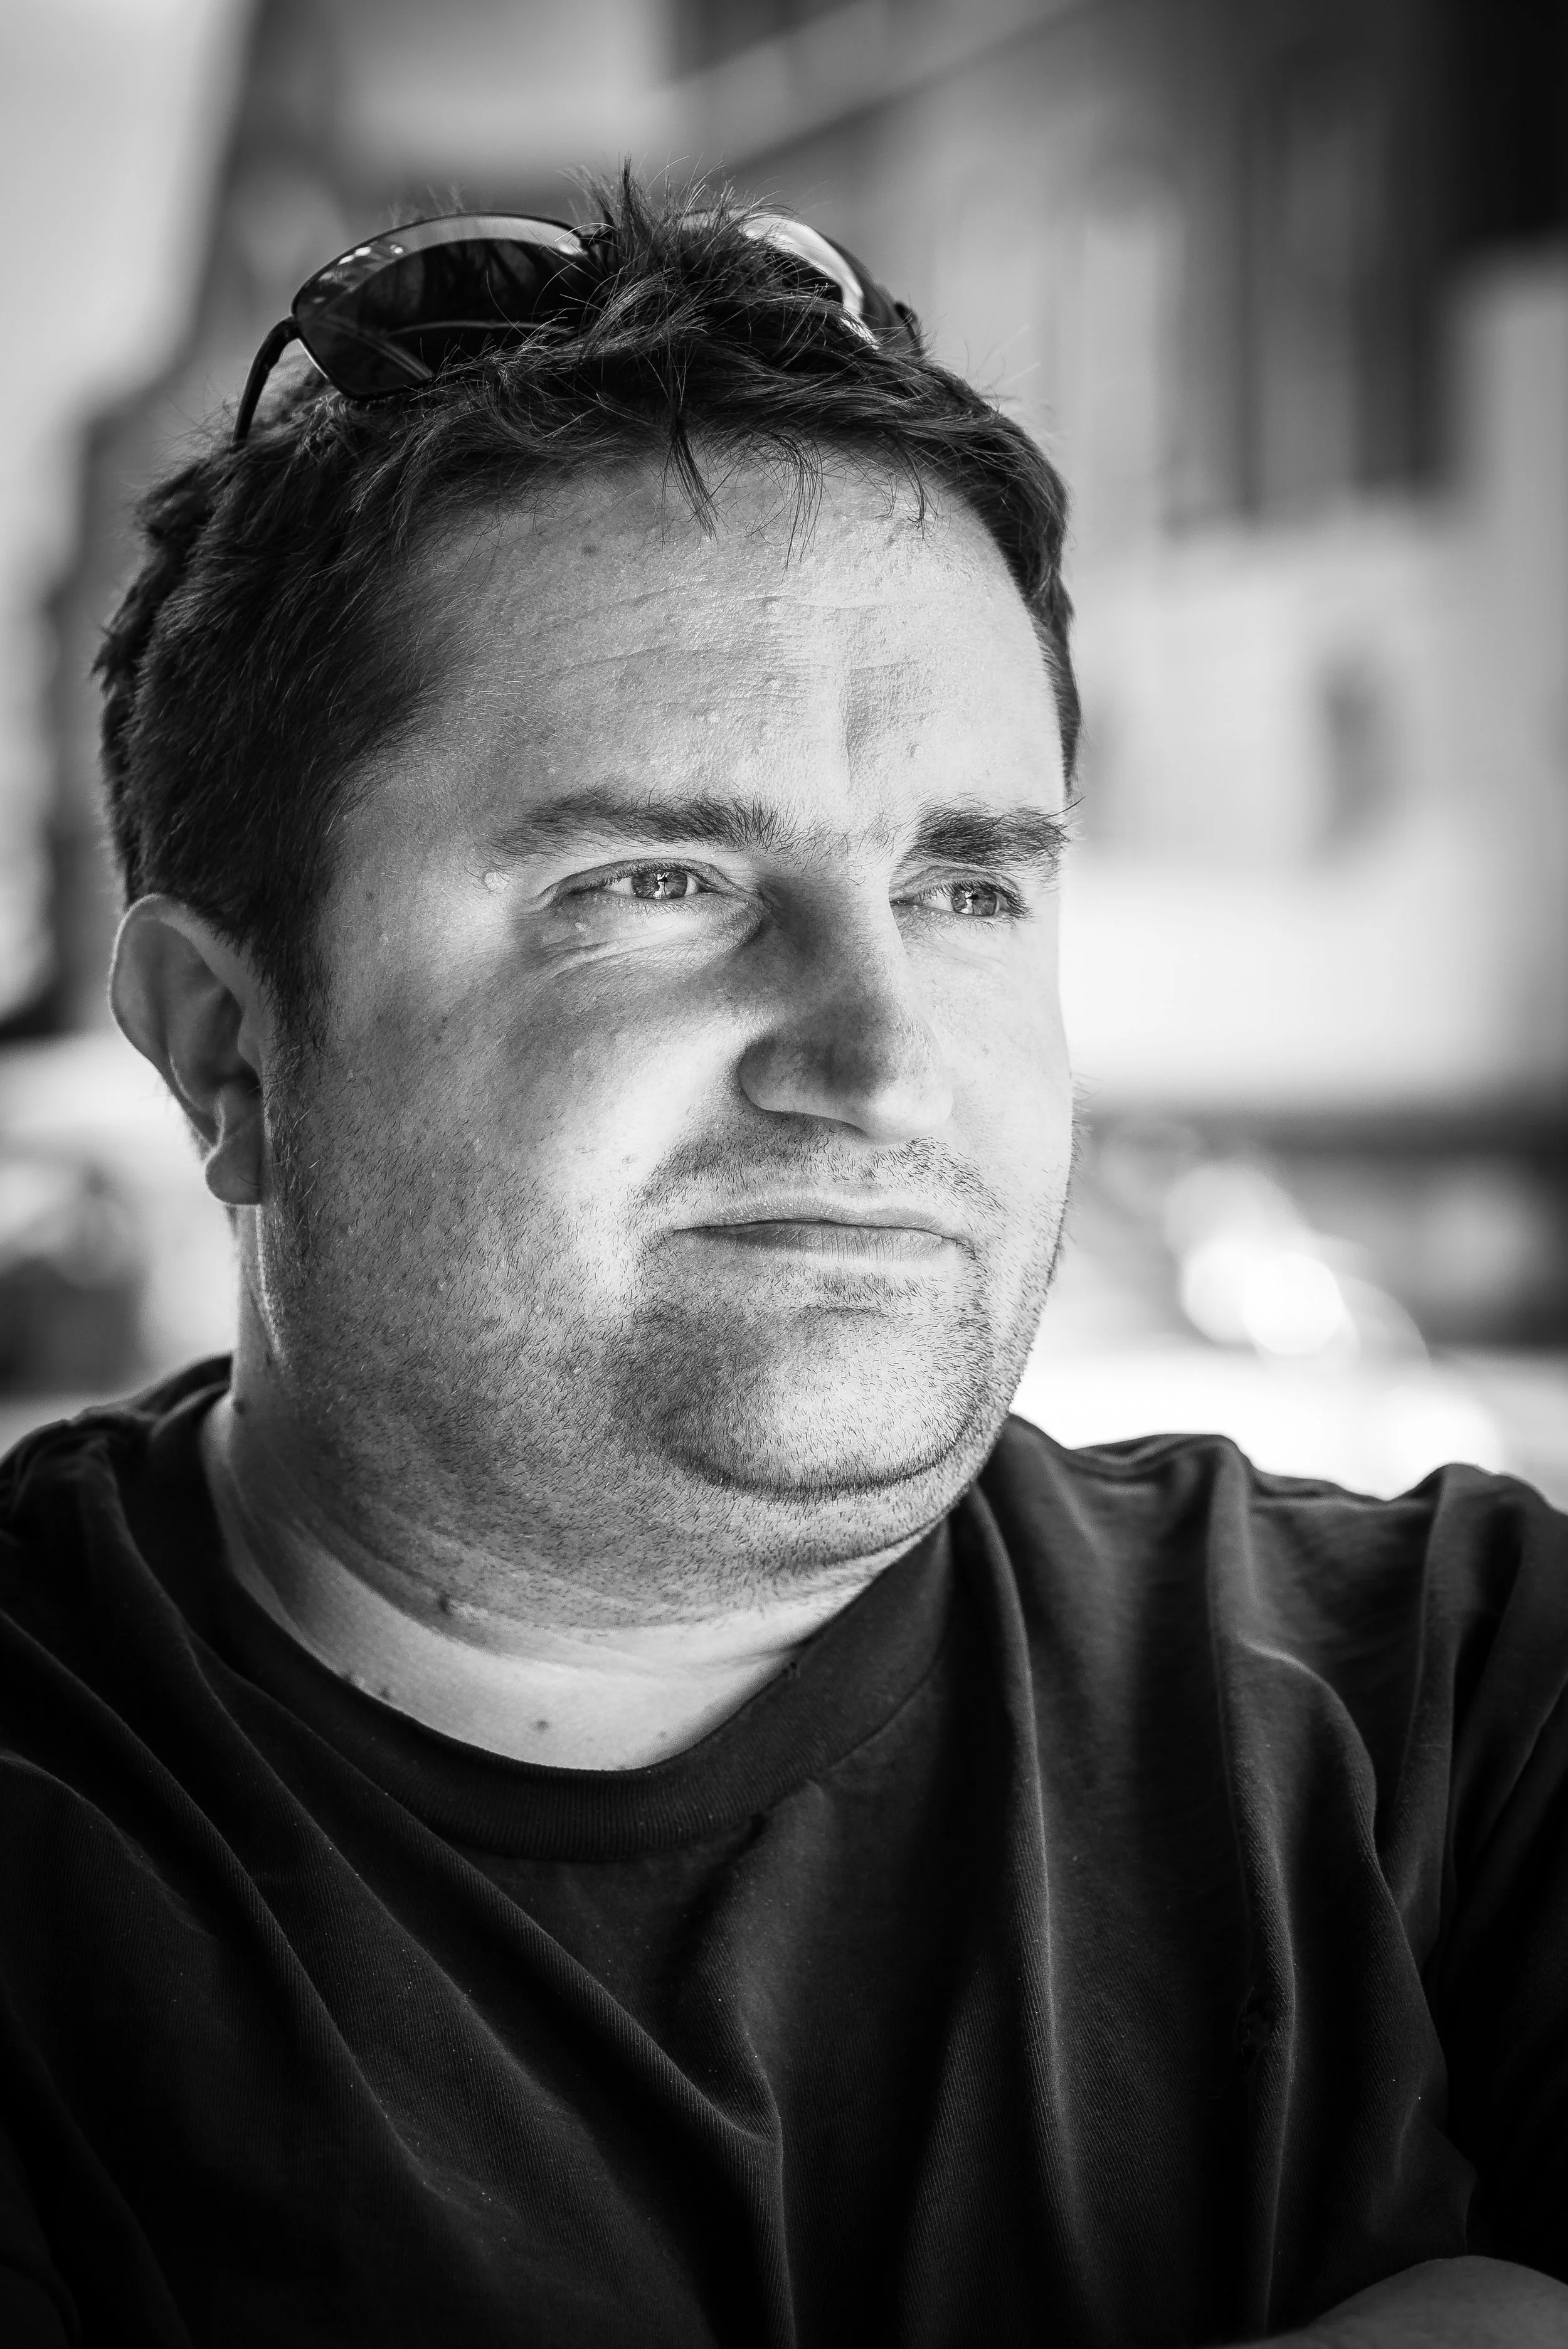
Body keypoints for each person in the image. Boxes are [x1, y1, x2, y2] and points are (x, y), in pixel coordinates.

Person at [1, 176, 1565, 2349]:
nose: (881, 1057)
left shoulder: (1464, 1703)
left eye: (964, 887)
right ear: (226, 1047)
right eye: (654, 882)